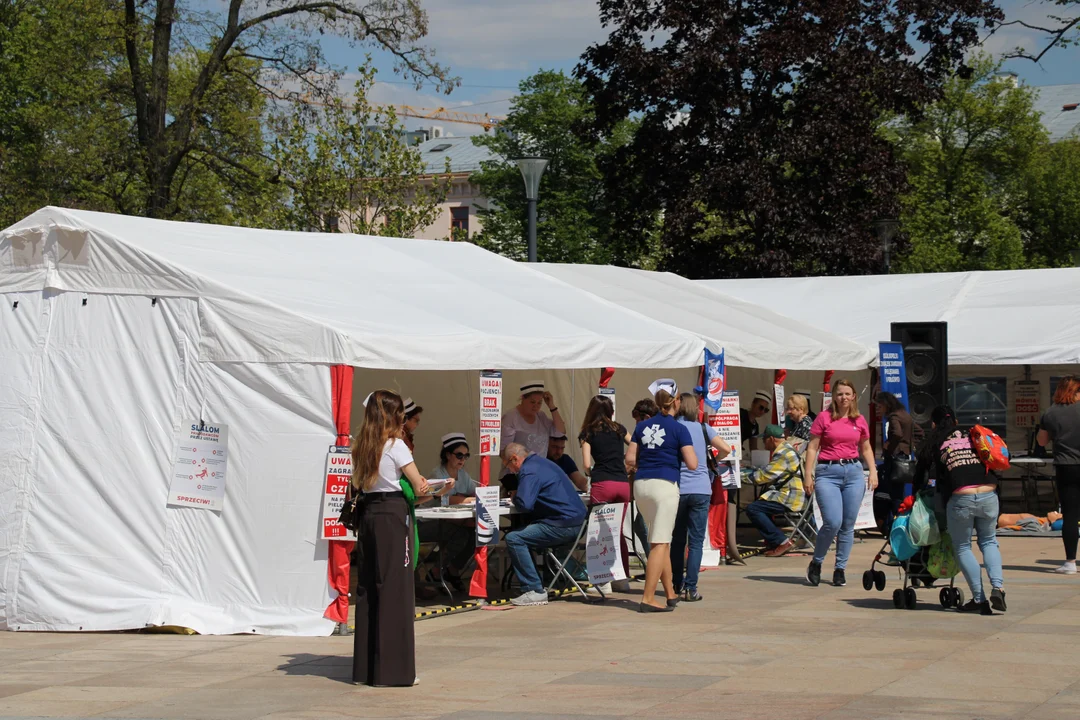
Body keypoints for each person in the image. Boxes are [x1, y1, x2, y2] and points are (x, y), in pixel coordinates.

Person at [350, 390, 430, 687]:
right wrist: (436, 487)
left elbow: (359, 482)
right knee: (395, 589)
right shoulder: (396, 446)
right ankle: (394, 671)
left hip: (369, 514)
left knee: (368, 588)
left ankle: (365, 670)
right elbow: (419, 484)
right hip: (393, 515)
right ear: (391, 416)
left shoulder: (362, 445)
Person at [914, 405, 1007, 614]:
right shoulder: (973, 434)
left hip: (961, 497)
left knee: (963, 547)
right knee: (989, 541)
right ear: (955, 422)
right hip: (989, 492)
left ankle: (980, 599)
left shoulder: (936, 442)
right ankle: (998, 587)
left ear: (934, 424)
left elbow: (921, 475)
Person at [625, 385, 697, 612]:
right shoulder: (679, 429)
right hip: (664, 486)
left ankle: (670, 593)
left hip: (641, 486)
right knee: (659, 543)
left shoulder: (642, 426)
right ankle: (647, 598)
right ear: (676, 401)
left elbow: (629, 459)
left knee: (661, 540)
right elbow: (693, 464)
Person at [803, 379, 878, 588]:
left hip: (853, 472)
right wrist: (808, 474)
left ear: (854, 396)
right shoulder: (824, 418)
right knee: (832, 522)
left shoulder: (859, 420)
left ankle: (840, 569)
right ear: (833, 397)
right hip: (828, 472)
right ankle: (816, 562)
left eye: (847, 394)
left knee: (848, 524)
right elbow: (812, 447)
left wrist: (872, 470)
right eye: (839, 394)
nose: (843, 397)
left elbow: (866, 448)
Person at [501, 443, 588, 606]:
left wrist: (515, 496)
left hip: (563, 524)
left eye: (508, 465)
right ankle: (544, 579)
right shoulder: (543, 463)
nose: (510, 470)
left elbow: (525, 505)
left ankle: (533, 589)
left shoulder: (529, 470)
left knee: (514, 538)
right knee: (528, 532)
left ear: (514, 459)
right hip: (578, 522)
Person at [672, 393, 731, 601]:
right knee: (696, 541)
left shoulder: (674, 427)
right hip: (701, 488)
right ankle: (691, 588)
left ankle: (676, 583)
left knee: (677, 539)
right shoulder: (703, 428)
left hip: (678, 488)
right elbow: (726, 448)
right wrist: (712, 463)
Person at [580, 395, 632, 590]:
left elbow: (586, 465)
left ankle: (603, 581)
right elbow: (636, 445)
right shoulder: (620, 429)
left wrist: (591, 472)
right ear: (611, 410)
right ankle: (622, 578)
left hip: (603, 484)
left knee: (600, 533)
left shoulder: (588, 432)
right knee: (618, 532)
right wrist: (625, 462)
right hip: (622, 484)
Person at [421, 433, 477, 591]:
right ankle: (437, 571)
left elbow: (474, 493)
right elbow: (446, 500)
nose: (463, 459)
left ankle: (452, 569)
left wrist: (463, 497)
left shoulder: (463, 475)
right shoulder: (437, 474)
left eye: (466, 456)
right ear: (447, 454)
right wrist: (465, 499)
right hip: (426, 521)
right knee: (459, 535)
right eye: (459, 455)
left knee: (474, 534)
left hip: (450, 521)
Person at [743, 424, 807, 557]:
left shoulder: (783, 453)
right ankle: (774, 540)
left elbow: (762, 477)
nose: (763, 442)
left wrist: (738, 476)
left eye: (764, 439)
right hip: (792, 494)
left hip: (790, 497)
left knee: (753, 509)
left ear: (771, 439)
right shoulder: (787, 449)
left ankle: (781, 541)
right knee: (761, 503)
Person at [1038, 375, 1080, 574]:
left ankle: (1070, 562)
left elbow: (1041, 442)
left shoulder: (1050, 413)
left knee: (1070, 515)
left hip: (1067, 466)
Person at [500, 380, 565, 491]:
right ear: (522, 399)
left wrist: (552, 407)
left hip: (539, 473)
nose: (536, 406)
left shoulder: (541, 416)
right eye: (532, 402)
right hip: (518, 475)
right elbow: (503, 451)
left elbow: (560, 431)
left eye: (539, 403)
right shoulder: (511, 418)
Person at [875, 390, 914, 489]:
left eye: (880, 407)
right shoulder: (905, 414)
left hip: (894, 457)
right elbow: (919, 432)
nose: (878, 409)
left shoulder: (893, 416)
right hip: (905, 456)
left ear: (886, 405)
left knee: (892, 489)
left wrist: (887, 445)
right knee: (900, 487)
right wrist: (908, 445)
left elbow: (897, 433)